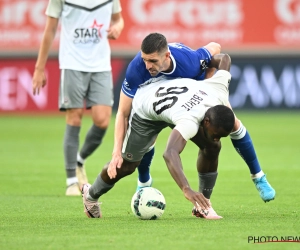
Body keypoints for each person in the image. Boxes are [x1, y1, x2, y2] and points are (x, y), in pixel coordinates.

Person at [111, 33, 275, 202]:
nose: (147, 65)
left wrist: (208, 80)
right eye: (145, 59)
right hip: (161, 96)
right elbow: (123, 113)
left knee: (232, 122)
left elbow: (216, 46)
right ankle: (144, 180)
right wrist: (116, 152)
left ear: (167, 56)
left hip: (195, 95)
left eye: (152, 61)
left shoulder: (190, 61)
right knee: (146, 135)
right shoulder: (137, 69)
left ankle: (258, 176)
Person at [81, 53, 235, 219]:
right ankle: (90, 196)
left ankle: (203, 204)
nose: (217, 137)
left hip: (173, 105)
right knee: (126, 166)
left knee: (212, 146)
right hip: (146, 108)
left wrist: (207, 62)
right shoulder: (189, 120)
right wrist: (186, 189)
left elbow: (225, 58)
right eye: (216, 134)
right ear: (205, 121)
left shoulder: (219, 88)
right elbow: (169, 153)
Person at [32, 0, 124, 196]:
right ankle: (71, 181)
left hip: (100, 65)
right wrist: (39, 68)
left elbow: (119, 19)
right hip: (72, 62)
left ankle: (79, 161)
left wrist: (117, 28)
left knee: (102, 120)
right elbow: (50, 30)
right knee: (74, 117)